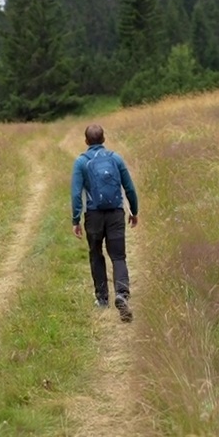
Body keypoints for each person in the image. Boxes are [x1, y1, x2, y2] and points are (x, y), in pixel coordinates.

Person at [71, 124, 139, 322]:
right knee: (118, 256)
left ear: (86, 141)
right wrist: (134, 211)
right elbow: (129, 188)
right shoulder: (115, 158)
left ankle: (102, 298)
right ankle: (122, 294)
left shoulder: (81, 162)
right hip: (116, 213)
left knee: (96, 254)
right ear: (104, 139)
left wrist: (76, 219)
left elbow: (76, 194)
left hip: (93, 215)